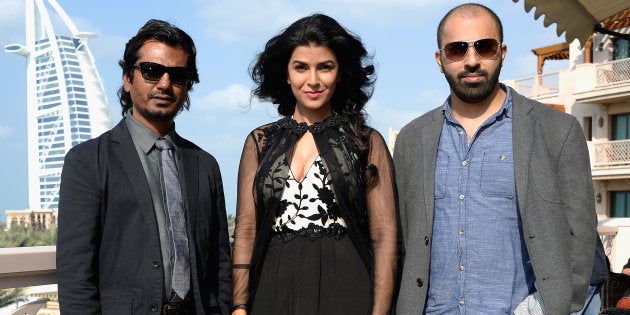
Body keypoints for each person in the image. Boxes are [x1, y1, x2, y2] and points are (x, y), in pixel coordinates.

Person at [393, 3, 597, 314]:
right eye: (457, 49)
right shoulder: (411, 139)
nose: (472, 60)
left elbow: (580, 237)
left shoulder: (557, 131)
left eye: (484, 47)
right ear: (440, 59)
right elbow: (398, 241)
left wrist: (546, 308)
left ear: (501, 52)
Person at [56, 19, 232, 314]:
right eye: (152, 71)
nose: (165, 83)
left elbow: (219, 261)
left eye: (178, 75)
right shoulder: (88, 161)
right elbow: (75, 272)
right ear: (127, 78)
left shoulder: (205, 165)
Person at [231, 13, 400, 315]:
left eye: (325, 67)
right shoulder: (260, 141)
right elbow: (245, 229)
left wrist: (379, 312)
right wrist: (240, 305)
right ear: (286, 73)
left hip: (347, 290)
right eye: (301, 67)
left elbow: (385, 235)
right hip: (272, 291)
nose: (313, 80)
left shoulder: (366, 141)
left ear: (340, 73)